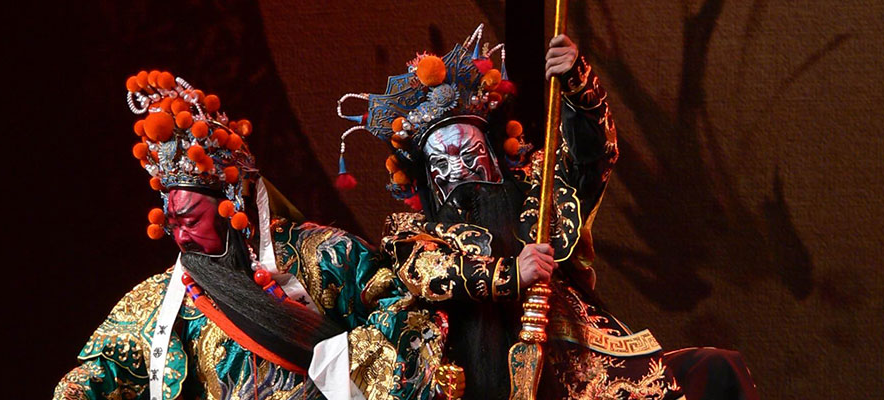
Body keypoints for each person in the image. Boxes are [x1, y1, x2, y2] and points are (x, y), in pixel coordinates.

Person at [334, 24, 757, 399]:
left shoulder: (538, 192)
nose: (459, 170)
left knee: (715, 369)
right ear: (426, 181)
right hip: (471, 372)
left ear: (496, 156)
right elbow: (430, 271)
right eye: (441, 165)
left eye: (469, 152)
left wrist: (577, 85)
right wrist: (510, 274)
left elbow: (592, 160)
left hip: (576, 363)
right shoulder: (413, 232)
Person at [54, 71, 442, 400]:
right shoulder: (163, 300)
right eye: (172, 225)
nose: (181, 239)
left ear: (234, 205)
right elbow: (109, 368)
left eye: (190, 220)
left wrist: (333, 368)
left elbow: (402, 315)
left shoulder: (325, 256)